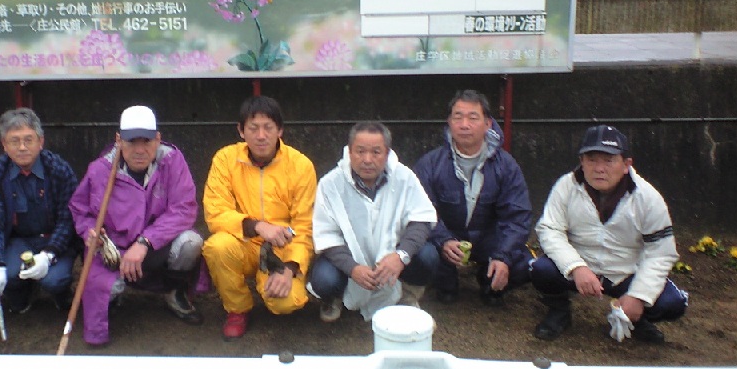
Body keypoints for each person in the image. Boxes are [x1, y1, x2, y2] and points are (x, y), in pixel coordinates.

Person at [530, 124, 688, 343]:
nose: (599, 168)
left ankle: (636, 318)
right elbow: (549, 229)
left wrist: (638, 296)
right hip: (581, 265)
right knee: (541, 270)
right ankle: (559, 312)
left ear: (626, 164)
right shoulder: (566, 186)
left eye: (609, 160)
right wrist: (576, 267)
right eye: (592, 159)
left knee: (673, 304)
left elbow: (660, 253)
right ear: (582, 162)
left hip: (626, 272)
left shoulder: (648, 198)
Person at [68, 105, 203, 347]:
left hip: (155, 247)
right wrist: (90, 231)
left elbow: (184, 208)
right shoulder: (100, 170)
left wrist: (145, 242)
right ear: (118, 140)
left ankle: (174, 293)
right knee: (105, 289)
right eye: (132, 142)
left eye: (147, 141)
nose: (140, 150)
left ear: (158, 139)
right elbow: (80, 209)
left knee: (190, 243)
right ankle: (112, 300)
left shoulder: (172, 161)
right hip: (114, 252)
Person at [202, 95, 316, 340]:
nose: (261, 135)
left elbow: (304, 226)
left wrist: (290, 268)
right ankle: (238, 309)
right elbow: (215, 212)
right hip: (243, 243)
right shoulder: (225, 159)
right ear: (241, 131)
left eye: (268, 127)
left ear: (280, 130)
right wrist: (258, 226)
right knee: (217, 246)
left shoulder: (301, 165)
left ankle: (274, 283)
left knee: (287, 303)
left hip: (282, 248)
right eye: (253, 128)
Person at [412, 90, 533, 305]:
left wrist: (503, 256)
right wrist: (444, 240)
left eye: (473, 118)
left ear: (487, 124)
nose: (464, 125)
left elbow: (517, 217)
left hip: (488, 239)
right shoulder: (430, 164)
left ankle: (490, 284)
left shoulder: (506, 166)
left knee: (524, 263)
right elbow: (419, 210)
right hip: (447, 239)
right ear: (449, 122)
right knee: (423, 251)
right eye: (458, 117)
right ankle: (445, 284)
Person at [309, 121, 438, 322]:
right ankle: (334, 298)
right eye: (360, 151)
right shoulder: (330, 183)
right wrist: (352, 267)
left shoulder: (404, 177)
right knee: (324, 280)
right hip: (348, 259)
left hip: (392, 257)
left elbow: (421, 219)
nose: (367, 159)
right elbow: (326, 235)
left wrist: (401, 256)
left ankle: (406, 294)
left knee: (428, 256)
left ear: (387, 153)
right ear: (349, 152)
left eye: (376, 152)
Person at [0, 108, 83, 315]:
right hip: (19, 240)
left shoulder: (59, 170)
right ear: (4, 144)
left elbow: (68, 219)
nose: (22, 147)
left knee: (55, 280)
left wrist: (49, 254)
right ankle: (22, 295)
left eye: (28, 139)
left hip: (54, 240)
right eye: (14, 141)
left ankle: (61, 295)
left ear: (40, 141)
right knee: (7, 274)